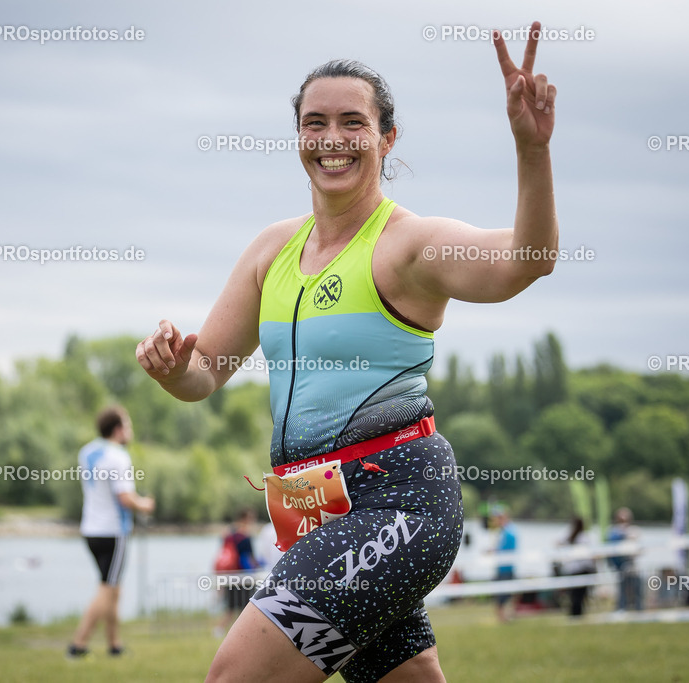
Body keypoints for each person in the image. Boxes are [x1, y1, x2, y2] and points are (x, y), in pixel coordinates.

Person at [136, 22, 558, 682]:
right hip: (313, 510)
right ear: (299, 135)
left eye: (353, 123)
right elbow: (204, 374)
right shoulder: (270, 251)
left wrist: (532, 151)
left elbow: (527, 261)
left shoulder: (408, 244)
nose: (332, 139)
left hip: (399, 506)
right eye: (315, 122)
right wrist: (171, 369)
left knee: (235, 677)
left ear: (387, 138)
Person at [68, 406, 155, 658]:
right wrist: (146, 504)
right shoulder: (118, 456)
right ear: (117, 429)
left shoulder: (87, 452)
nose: (130, 431)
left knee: (114, 587)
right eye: (127, 425)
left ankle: (114, 644)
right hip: (114, 532)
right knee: (107, 589)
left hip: (91, 531)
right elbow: (125, 497)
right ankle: (78, 645)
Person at [216, 509, 261, 635]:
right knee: (247, 607)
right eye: (251, 518)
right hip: (244, 576)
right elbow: (250, 557)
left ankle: (220, 630)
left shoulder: (228, 533)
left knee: (230, 607)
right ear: (245, 518)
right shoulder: (246, 536)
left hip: (230, 574)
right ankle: (240, 632)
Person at [558, 517, 595, 618]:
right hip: (577, 569)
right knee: (577, 594)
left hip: (578, 569)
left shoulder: (580, 537)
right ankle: (576, 613)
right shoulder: (577, 536)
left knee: (577, 594)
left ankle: (576, 613)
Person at [606, 507, 642, 611]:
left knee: (636, 588)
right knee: (622, 589)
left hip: (632, 565)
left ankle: (638, 609)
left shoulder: (633, 530)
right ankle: (621, 609)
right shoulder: (613, 531)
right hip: (620, 566)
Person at [491, 509, 518, 622]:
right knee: (504, 593)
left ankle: (505, 616)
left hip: (506, 567)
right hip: (504, 567)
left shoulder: (508, 531)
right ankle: (504, 617)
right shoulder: (506, 531)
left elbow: (504, 549)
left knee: (504, 593)